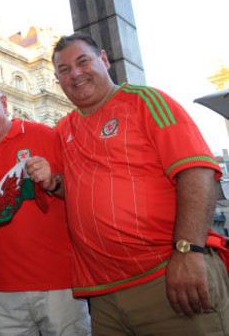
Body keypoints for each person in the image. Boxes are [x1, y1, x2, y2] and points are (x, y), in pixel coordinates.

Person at [52, 32, 228, 335]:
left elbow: (196, 171)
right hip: (104, 295)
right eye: (64, 70)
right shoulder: (64, 128)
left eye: (82, 61)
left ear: (104, 60)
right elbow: (80, 190)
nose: (75, 73)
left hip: (167, 277)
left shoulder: (146, 101)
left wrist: (187, 251)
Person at [0, 79, 91, 336]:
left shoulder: (46, 135)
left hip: (60, 283)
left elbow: (83, 191)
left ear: (4, 103)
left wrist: (53, 180)